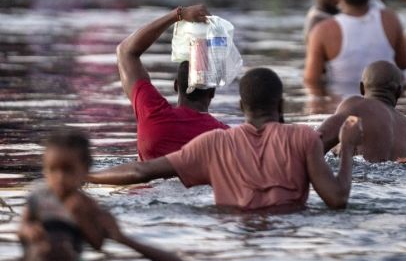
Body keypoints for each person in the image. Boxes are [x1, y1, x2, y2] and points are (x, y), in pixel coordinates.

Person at [88, 68, 362, 212]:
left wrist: (86, 177)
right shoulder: (304, 138)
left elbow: (139, 171)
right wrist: (347, 146)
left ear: (242, 107)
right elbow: (337, 200)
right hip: (288, 234)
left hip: (229, 234)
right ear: (281, 105)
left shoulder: (214, 143)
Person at [18, 129, 192, 261]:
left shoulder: (86, 204)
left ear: (85, 171)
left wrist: (82, 219)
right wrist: (30, 230)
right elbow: (23, 228)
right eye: (53, 170)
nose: (60, 178)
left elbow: (97, 244)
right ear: (44, 171)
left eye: (68, 170)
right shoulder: (39, 196)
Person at [116, 4, 228, 161]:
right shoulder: (226, 138)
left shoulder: (153, 115)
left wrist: (178, 15)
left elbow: (125, 51)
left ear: (176, 86)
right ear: (213, 91)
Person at [304, 0, 406, 98]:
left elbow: (311, 81)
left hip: (342, 107)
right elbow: (404, 64)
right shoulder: (390, 19)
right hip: (385, 104)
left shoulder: (322, 31)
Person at [318, 61, 406, 162]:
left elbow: (317, 141)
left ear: (361, 88)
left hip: (360, 175)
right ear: (399, 91)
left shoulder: (356, 106)